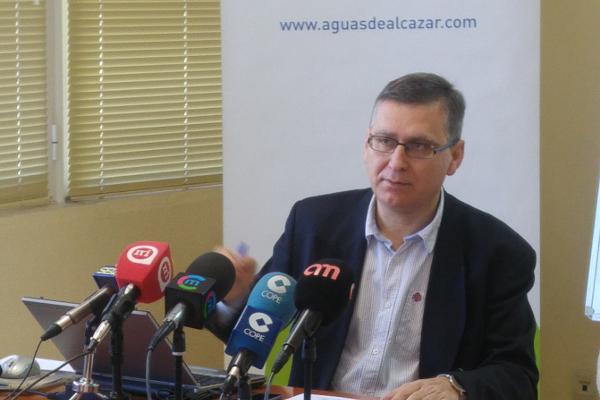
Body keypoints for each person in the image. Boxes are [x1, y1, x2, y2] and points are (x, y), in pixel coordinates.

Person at [216, 72, 538, 400]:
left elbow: (518, 375)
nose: (396, 162)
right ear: (366, 144)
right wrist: (236, 299)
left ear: (455, 156)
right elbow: (253, 331)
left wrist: (456, 386)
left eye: (419, 146)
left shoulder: (497, 252)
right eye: (384, 141)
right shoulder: (314, 224)